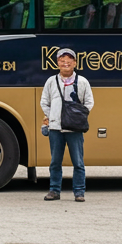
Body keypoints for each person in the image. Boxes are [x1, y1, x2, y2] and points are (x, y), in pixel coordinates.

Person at [40, 47, 95, 202]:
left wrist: (79, 116)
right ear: (58, 63)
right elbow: (44, 101)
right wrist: (52, 117)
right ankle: (54, 190)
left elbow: (89, 102)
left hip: (75, 128)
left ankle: (79, 192)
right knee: (55, 161)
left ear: (75, 63)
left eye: (69, 61)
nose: (65, 64)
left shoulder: (82, 82)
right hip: (55, 128)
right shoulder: (51, 81)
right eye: (62, 61)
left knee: (78, 161)